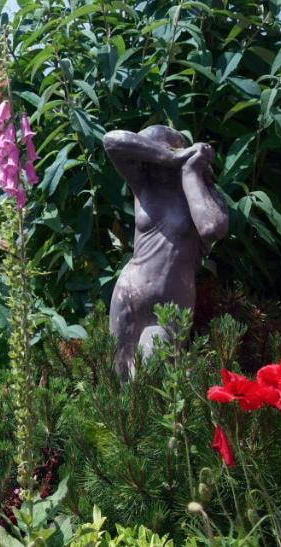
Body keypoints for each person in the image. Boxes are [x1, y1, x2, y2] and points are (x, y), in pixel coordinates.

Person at [103, 125, 229, 380]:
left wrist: (190, 173)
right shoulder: (144, 186)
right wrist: (171, 156)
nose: (150, 164)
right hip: (127, 292)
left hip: (169, 304)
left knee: (150, 380)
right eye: (149, 157)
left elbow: (212, 228)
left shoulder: (202, 193)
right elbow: (112, 141)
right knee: (118, 381)